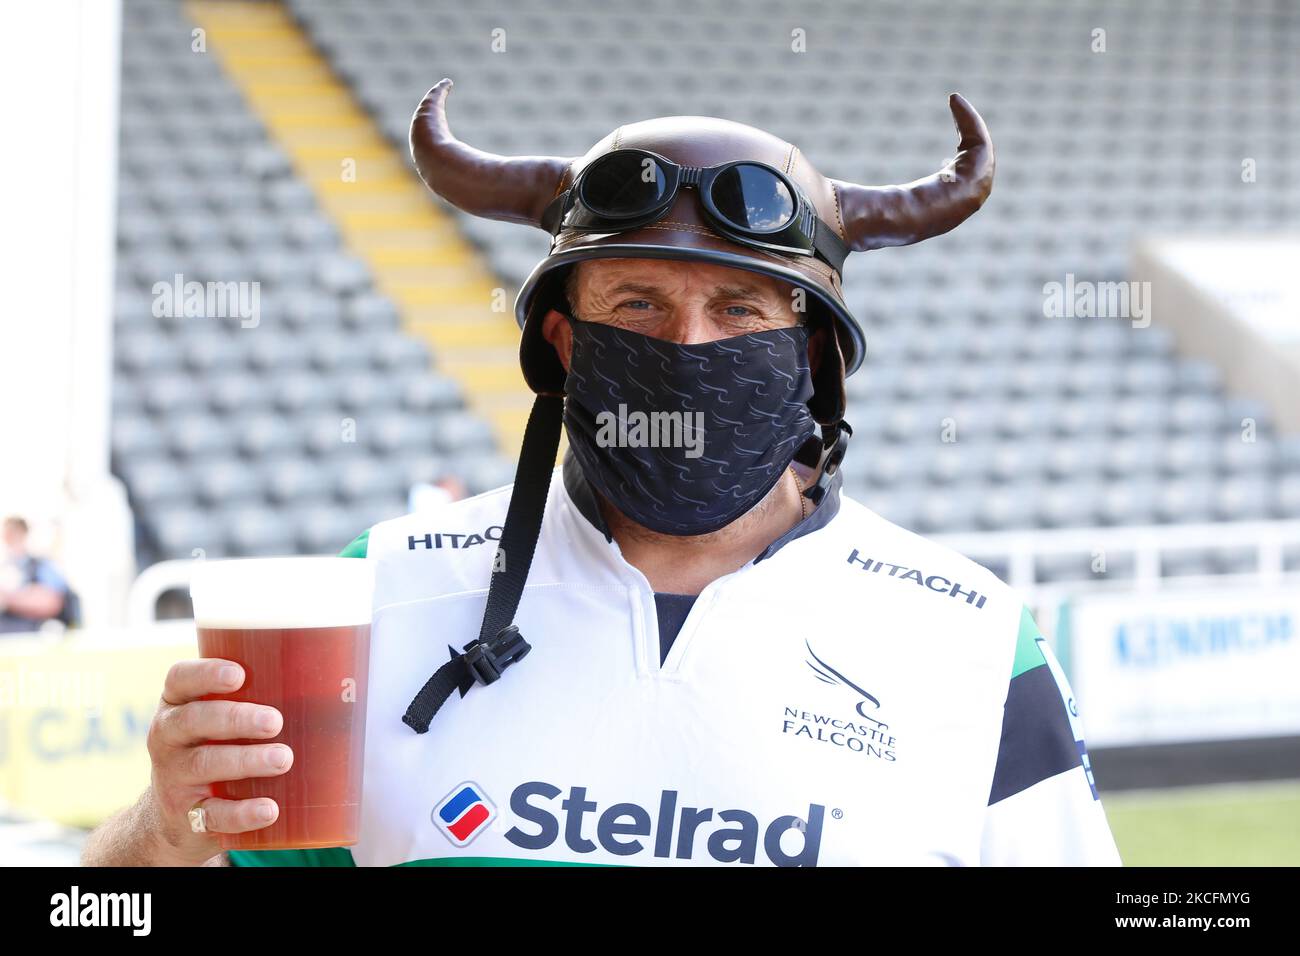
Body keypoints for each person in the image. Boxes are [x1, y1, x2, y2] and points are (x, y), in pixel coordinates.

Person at [82, 80, 1121, 867]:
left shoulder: (972, 638)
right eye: (636, 307)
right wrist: (163, 830)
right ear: (565, 344)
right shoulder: (379, 589)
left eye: (739, 311)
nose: (686, 343)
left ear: (811, 356)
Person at [0, 516, 71, 634]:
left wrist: (8, 599)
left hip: (34, 634)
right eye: (7, 535)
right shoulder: (4, 566)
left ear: (24, 534)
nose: (9, 539)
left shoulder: (41, 565)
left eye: (13, 534)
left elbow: (50, 603)